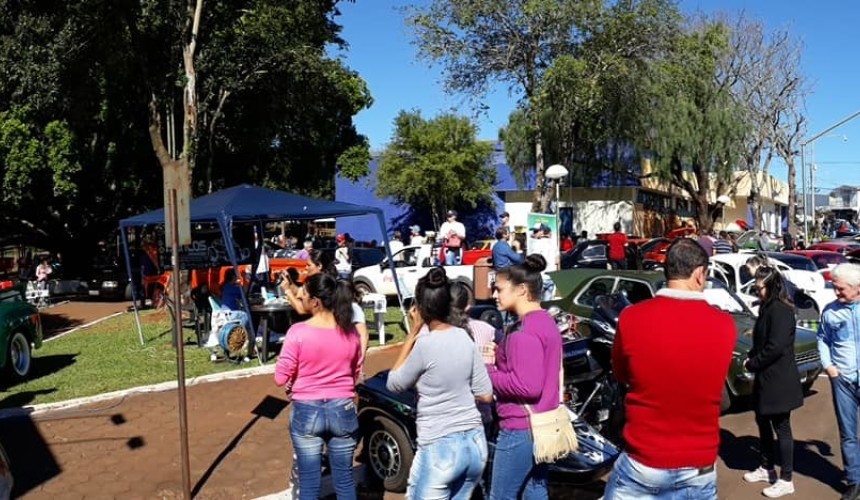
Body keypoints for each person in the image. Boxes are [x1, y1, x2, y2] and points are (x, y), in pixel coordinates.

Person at [603, 238, 735, 499]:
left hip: (643, 461)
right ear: (699, 274)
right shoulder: (724, 325)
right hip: (698, 464)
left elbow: (620, 373)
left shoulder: (631, 318)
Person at [386, 268, 493, 498]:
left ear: (420, 309)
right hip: (474, 443)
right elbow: (485, 394)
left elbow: (394, 383)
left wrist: (412, 332)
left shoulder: (425, 345)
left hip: (440, 447)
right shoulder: (465, 337)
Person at [274, 273, 362, 500]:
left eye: (303, 293)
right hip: (343, 409)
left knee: (309, 484)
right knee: (344, 480)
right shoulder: (350, 332)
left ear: (315, 301)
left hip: (306, 410)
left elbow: (280, 378)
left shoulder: (298, 333)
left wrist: (289, 371)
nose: (300, 296)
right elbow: (354, 373)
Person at [486, 254, 561, 499]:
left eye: (499, 289)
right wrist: (500, 356)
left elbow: (527, 386)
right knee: (535, 490)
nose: (494, 295)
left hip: (520, 427)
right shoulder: (545, 322)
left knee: (501, 496)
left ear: (521, 290)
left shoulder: (523, 332)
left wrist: (489, 371)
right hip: (544, 424)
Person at [742, 266, 803, 498]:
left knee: (782, 427)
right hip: (765, 378)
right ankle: (767, 467)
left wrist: (752, 363)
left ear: (771, 286)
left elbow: (775, 347)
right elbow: (764, 341)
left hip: (778, 379)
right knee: (762, 421)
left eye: (760, 288)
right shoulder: (767, 308)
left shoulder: (781, 310)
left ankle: (786, 478)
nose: (758, 292)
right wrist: (752, 356)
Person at [818, 263, 860, 500]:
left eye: (841, 289)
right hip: (842, 379)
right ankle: (854, 481)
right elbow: (823, 339)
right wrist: (829, 367)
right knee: (848, 434)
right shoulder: (830, 311)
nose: (836, 292)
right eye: (835, 287)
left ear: (858, 288)